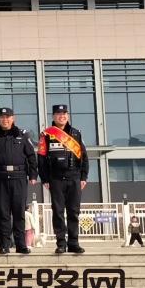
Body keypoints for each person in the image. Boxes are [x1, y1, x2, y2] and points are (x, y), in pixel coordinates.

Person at [0, 107, 37, 255]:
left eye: (8, 117)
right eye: (2, 117)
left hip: (19, 178)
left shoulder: (22, 135)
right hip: (0, 179)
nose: (5, 120)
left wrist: (33, 175)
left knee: (19, 212)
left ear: (13, 118)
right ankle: (4, 245)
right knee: (3, 213)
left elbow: (31, 156)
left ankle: (21, 245)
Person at [38, 104, 88, 254]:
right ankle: (61, 243)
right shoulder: (47, 134)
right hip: (56, 178)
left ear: (68, 116)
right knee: (58, 212)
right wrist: (44, 178)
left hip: (74, 177)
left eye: (64, 113)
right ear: (53, 116)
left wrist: (83, 176)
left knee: (74, 211)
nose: (62, 116)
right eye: (59, 114)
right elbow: (41, 158)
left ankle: (74, 243)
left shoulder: (76, 133)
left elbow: (84, 156)